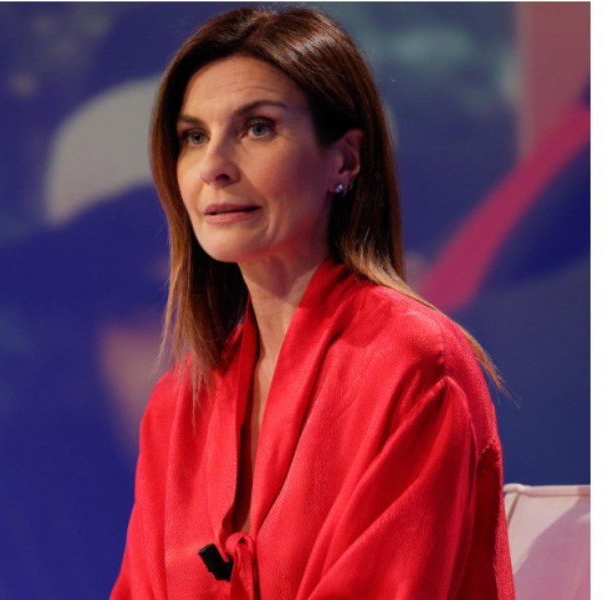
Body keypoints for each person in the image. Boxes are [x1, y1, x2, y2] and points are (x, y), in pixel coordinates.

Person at [112, 7, 514, 598]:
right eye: (194, 137)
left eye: (257, 128)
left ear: (344, 160)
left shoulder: (411, 362)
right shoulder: (178, 404)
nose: (214, 167)